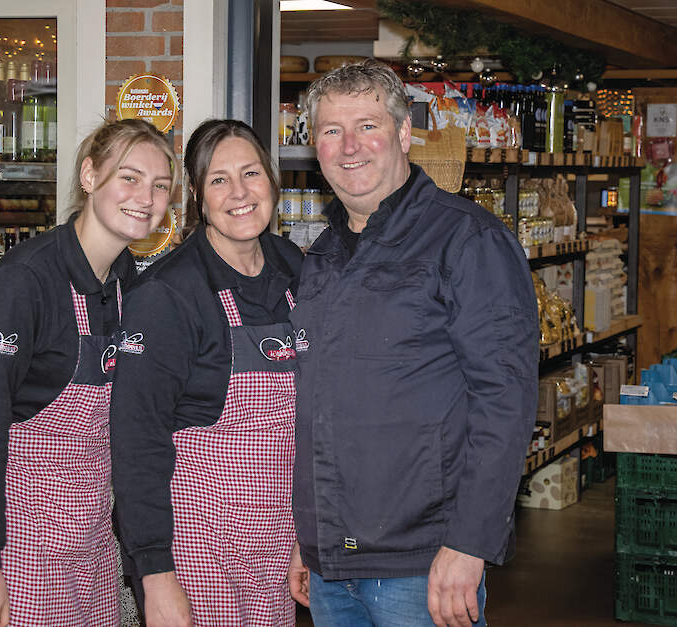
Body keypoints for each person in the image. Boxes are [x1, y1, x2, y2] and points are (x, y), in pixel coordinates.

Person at [287, 59, 539, 627]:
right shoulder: (322, 255)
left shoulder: (467, 240)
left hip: (422, 565)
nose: (350, 147)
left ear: (404, 134)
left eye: (367, 126)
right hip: (332, 566)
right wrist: (313, 534)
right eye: (331, 131)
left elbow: (506, 401)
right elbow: (322, 407)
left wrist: (470, 543)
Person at [0, 118, 178, 627]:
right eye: (130, 177)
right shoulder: (22, 284)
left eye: (161, 185)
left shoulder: (128, 283)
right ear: (90, 176)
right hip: (18, 546)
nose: (147, 198)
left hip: (91, 544)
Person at [110, 119, 304, 627]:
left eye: (251, 173)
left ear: (272, 180)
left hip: (278, 537)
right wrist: (155, 573)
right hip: (197, 545)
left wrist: (309, 533)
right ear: (197, 194)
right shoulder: (167, 295)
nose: (239, 192)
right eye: (219, 179)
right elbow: (137, 439)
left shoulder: (294, 268)